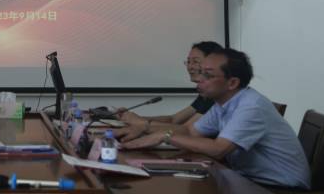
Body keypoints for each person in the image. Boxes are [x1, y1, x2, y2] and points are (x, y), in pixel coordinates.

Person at [123, 48, 310, 189]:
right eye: (200, 72)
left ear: (232, 82)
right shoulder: (223, 102)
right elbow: (190, 131)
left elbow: (218, 149)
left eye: (208, 75)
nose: (199, 79)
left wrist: (165, 136)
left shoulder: (251, 106)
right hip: (248, 178)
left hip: (280, 187)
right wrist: (145, 128)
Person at [115, 41, 224, 141]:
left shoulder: (216, 95)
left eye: (195, 61)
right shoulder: (205, 94)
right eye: (188, 62)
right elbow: (173, 119)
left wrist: (142, 123)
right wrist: (133, 119)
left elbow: (187, 130)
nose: (190, 66)